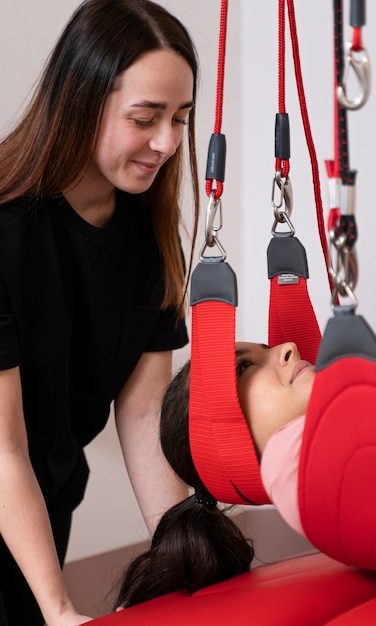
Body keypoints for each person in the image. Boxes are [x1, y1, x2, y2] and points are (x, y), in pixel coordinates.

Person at [0, 1, 200, 624]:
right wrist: (60, 609)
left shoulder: (149, 233)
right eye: (145, 118)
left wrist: (185, 555)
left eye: (180, 119)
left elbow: (143, 411)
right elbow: (2, 449)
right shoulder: (6, 233)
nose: (166, 143)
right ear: (81, 101)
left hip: (45, 494)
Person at [112, 318, 376, 609]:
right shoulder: (291, 464)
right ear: (227, 450)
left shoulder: (347, 426)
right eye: (245, 367)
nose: (289, 347)